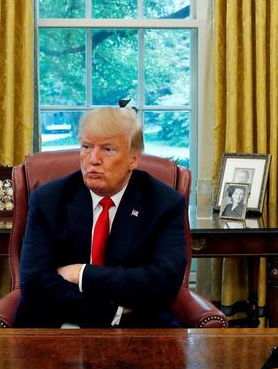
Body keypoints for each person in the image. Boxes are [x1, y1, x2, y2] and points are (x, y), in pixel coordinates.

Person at [14, 106, 187, 328]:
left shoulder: (163, 202)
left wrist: (82, 273)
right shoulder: (49, 200)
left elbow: (163, 283)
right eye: (86, 147)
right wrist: (113, 312)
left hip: (135, 331)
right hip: (55, 327)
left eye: (107, 149)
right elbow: (35, 284)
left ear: (133, 159)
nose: (93, 159)